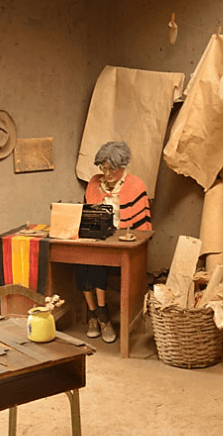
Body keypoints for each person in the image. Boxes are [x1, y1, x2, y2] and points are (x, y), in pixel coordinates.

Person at [76, 141, 152, 343]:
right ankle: (95, 314)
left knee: (97, 261)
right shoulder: (94, 183)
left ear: (123, 166)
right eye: (103, 168)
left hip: (124, 251)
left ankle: (103, 315)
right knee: (81, 261)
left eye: (112, 169)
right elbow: (86, 218)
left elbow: (144, 230)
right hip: (98, 244)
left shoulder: (135, 185)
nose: (107, 174)